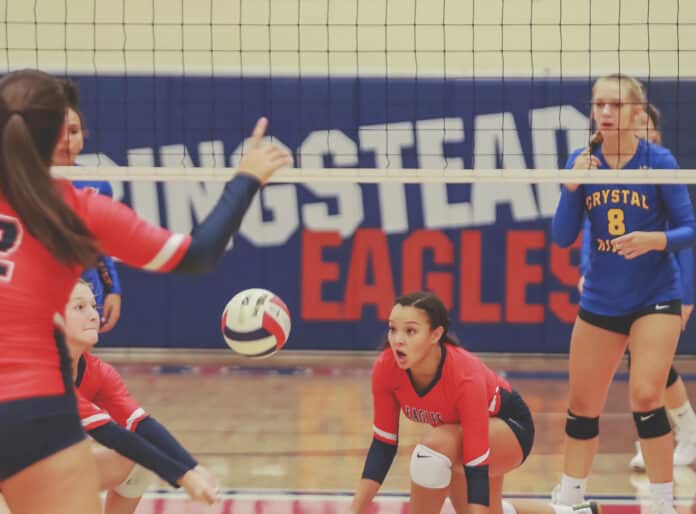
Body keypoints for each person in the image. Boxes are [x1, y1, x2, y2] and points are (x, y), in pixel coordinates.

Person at [0, 69, 291, 514]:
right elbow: (198, 255)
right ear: (62, 134)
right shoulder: (80, 207)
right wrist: (246, 179)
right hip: (34, 409)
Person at [551, 74, 696, 514]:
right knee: (582, 406)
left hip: (655, 294)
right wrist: (570, 185)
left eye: (616, 105)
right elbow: (561, 236)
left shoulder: (659, 160)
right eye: (599, 105)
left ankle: (663, 502)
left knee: (647, 396)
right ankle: (571, 498)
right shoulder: (584, 161)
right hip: (601, 299)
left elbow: (689, 229)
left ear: (637, 112)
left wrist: (656, 241)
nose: (606, 113)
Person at [345, 291, 599, 514]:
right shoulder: (386, 369)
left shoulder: (464, 375)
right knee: (487, 510)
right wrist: (354, 510)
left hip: (508, 428)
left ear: (436, 334)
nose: (398, 339)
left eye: (410, 331)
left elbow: (476, 460)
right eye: (392, 329)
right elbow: (384, 444)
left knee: (432, 449)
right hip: (460, 437)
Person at [0, 279, 220, 514]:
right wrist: (183, 476)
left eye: (93, 306)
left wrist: (193, 468)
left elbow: (141, 425)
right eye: (79, 307)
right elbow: (111, 434)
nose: (94, 315)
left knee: (139, 461)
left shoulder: (98, 372)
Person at [578, 101, 696, 471]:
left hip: (662, 287)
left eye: (644, 123)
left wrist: (687, 296)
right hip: (617, 289)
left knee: (649, 372)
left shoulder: (663, 171)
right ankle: (681, 430)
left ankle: (679, 433)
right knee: (642, 368)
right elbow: (589, 229)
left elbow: (685, 241)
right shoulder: (604, 169)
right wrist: (586, 269)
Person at [52, 79, 122, 332]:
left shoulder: (98, 184)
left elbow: (100, 245)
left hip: (83, 290)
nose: (67, 140)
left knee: (77, 361)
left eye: (73, 131)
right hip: (34, 290)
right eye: (57, 131)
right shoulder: (20, 183)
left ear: (83, 136)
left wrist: (113, 288)